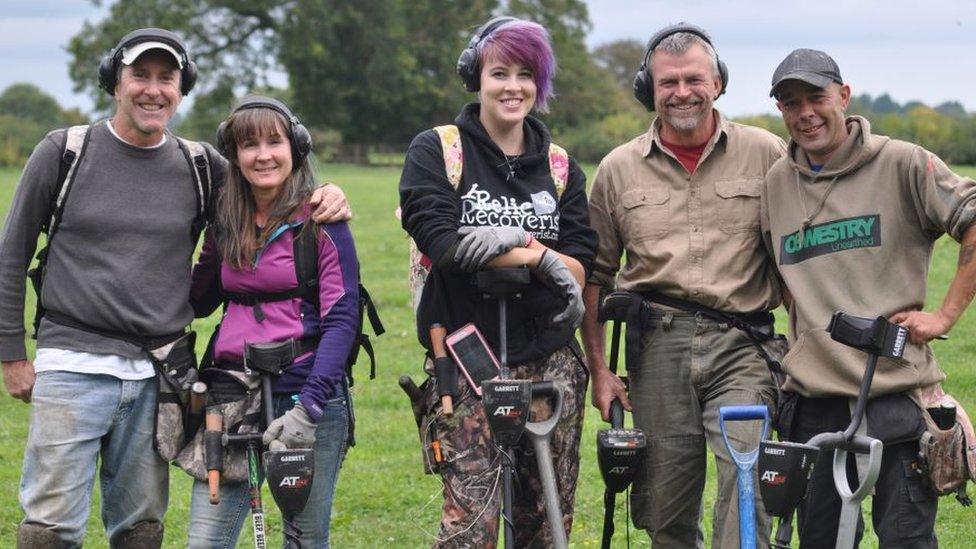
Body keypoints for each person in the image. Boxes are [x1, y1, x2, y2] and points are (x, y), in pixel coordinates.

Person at [0, 28, 348, 548]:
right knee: (50, 528)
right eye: (140, 75)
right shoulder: (64, 152)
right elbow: (12, 254)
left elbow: (270, 181)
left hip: (158, 375)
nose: (153, 89)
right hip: (72, 363)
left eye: (168, 78)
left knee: (141, 527)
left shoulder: (202, 165)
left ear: (181, 91)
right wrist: (10, 352)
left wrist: (326, 194)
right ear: (115, 82)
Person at [761, 48, 976, 548]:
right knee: (820, 541)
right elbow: (784, 282)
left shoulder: (901, 163)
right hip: (812, 403)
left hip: (895, 398)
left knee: (905, 539)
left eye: (816, 97)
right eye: (790, 103)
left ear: (844, 95)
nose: (805, 113)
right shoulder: (775, 185)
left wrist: (943, 316)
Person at [582, 23, 786, 548]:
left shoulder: (767, 154)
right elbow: (595, 278)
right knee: (664, 508)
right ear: (648, 90)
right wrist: (601, 371)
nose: (681, 92)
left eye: (694, 79)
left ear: (718, 82)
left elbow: (799, 255)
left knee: (746, 486)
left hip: (743, 344)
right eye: (667, 82)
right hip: (657, 347)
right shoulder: (616, 169)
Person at [398, 17, 597, 547]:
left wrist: (531, 252)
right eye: (499, 72)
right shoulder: (438, 150)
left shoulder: (560, 168)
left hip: (552, 355)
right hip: (467, 353)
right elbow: (440, 241)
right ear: (475, 77)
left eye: (526, 74)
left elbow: (580, 265)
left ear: (541, 83)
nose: (513, 86)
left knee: (546, 516)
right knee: (471, 523)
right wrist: (536, 256)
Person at [185, 96, 359, 548]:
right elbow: (199, 301)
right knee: (207, 541)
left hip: (307, 398)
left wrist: (309, 409)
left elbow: (342, 320)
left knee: (303, 539)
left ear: (294, 147)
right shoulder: (224, 221)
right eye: (248, 145)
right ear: (235, 156)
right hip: (231, 400)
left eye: (274, 141)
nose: (263, 155)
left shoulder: (324, 219)